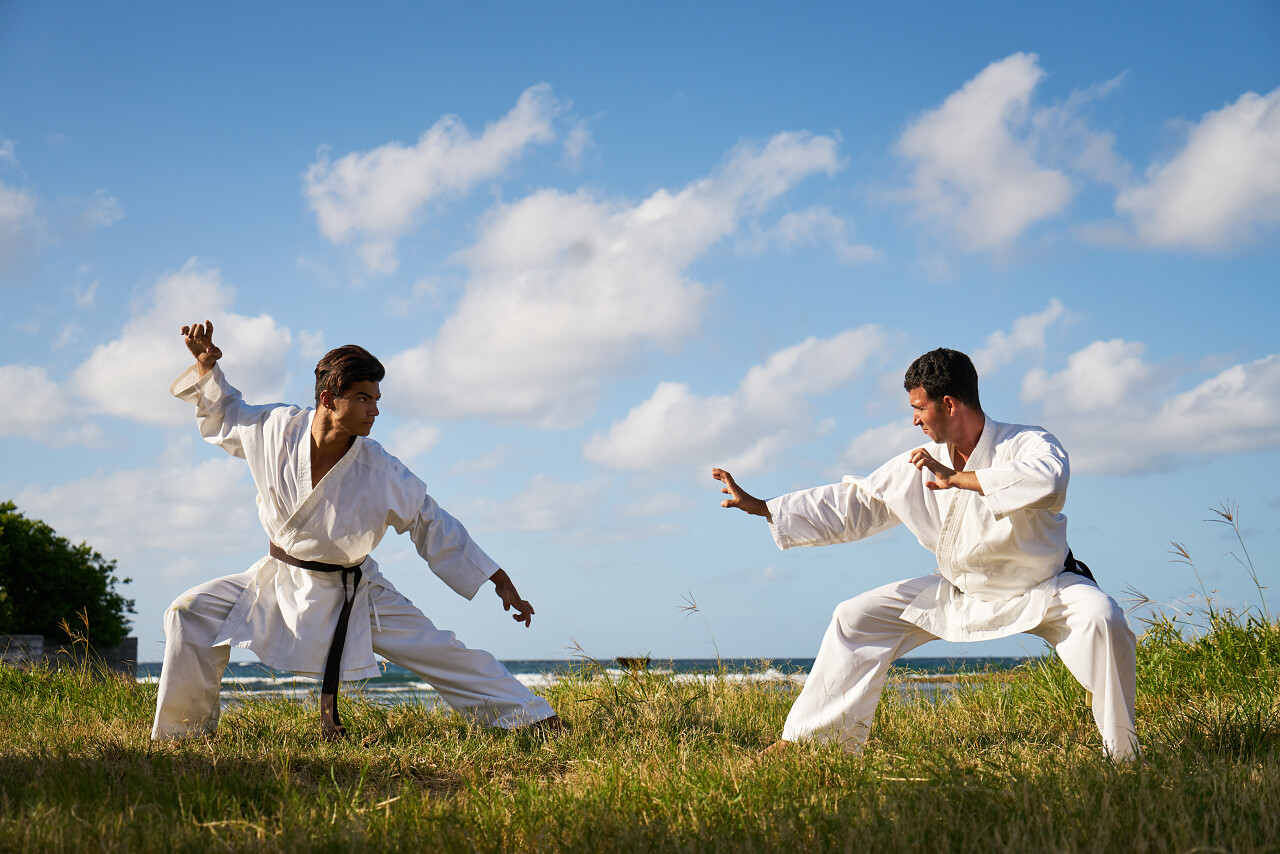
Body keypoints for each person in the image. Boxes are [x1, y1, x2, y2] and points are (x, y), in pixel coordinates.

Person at [712, 348, 1138, 760]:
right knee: (854, 618)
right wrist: (765, 506)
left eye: (919, 408)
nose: (914, 420)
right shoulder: (918, 463)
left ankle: (1123, 757)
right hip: (961, 590)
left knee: (1104, 619)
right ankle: (810, 746)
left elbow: (1049, 483)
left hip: (1044, 586)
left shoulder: (1026, 443)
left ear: (948, 404)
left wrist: (961, 478)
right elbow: (855, 506)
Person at [152, 320, 562, 741]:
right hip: (278, 582)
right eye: (363, 398)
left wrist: (497, 577)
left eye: (377, 399)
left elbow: (431, 522)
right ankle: (183, 734)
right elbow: (226, 415)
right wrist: (206, 367)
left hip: (355, 591)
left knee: (442, 650)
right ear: (328, 399)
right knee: (190, 612)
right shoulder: (276, 429)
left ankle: (535, 718)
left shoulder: (380, 468)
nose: (375, 410)